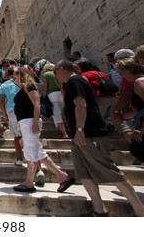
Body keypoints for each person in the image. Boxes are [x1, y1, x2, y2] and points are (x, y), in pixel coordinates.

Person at [54, 59, 144, 216]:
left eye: (56, 73)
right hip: (81, 135)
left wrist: (80, 129)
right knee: (84, 173)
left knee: (111, 171)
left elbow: (81, 105)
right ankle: (99, 210)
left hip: (89, 133)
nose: (56, 77)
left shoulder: (75, 81)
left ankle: (140, 210)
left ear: (62, 69)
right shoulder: (75, 81)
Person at [12, 66, 73, 193]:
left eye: (15, 75)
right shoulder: (23, 88)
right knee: (38, 152)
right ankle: (62, 176)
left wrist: (35, 122)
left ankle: (29, 182)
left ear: (21, 75)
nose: (13, 78)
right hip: (25, 122)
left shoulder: (30, 86)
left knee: (31, 152)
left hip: (30, 121)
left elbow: (37, 104)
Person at [115, 58, 144, 162]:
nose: (122, 76)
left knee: (138, 149)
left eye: (123, 72)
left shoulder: (139, 82)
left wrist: (142, 129)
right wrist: (122, 116)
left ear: (129, 70)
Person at [0, 66, 24, 165]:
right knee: (27, 135)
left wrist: (4, 114)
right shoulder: (25, 83)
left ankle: (19, 158)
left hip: (12, 110)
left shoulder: (4, 85)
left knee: (17, 136)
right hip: (26, 110)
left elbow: (1, 102)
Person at [41, 63, 69, 138]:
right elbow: (61, 85)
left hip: (52, 95)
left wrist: (43, 97)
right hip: (61, 93)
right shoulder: (57, 73)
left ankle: (65, 134)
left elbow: (45, 87)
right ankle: (66, 128)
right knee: (62, 112)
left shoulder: (46, 75)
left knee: (57, 115)